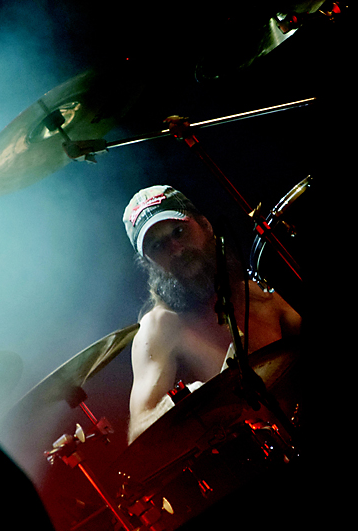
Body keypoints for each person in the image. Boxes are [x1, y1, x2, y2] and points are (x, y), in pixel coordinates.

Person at [123, 185, 302, 443]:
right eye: (158, 245)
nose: (176, 248)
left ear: (205, 225)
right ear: (148, 262)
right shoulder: (159, 326)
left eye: (179, 231)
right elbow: (139, 434)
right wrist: (192, 399)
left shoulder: (257, 294)